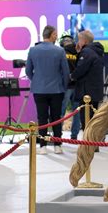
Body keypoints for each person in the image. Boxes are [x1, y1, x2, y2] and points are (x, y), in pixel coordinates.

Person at [25, 26, 70, 155]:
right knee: (56, 117)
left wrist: (36, 80)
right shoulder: (60, 51)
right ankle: (57, 145)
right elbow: (65, 72)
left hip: (39, 90)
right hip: (57, 90)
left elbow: (28, 71)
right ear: (52, 35)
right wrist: (64, 86)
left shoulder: (33, 50)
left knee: (42, 117)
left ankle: (43, 146)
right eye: (55, 34)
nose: (56, 37)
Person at [71, 30, 105, 130]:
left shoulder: (86, 52)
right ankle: (94, 144)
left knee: (86, 121)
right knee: (93, 120)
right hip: (95, 92)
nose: (77, 43)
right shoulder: (98, 51)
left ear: (84, 41)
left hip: (86, 92)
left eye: (79, 40)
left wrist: (72, 76)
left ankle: (87, 144)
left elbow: (81, 69)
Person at [59, 35, 81, 140]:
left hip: (65, 86)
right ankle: (74, 136)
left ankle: (57, 136)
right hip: (77, 86)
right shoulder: (78, 53)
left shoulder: (61, 53)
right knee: (76, 113)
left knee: (61, 112)